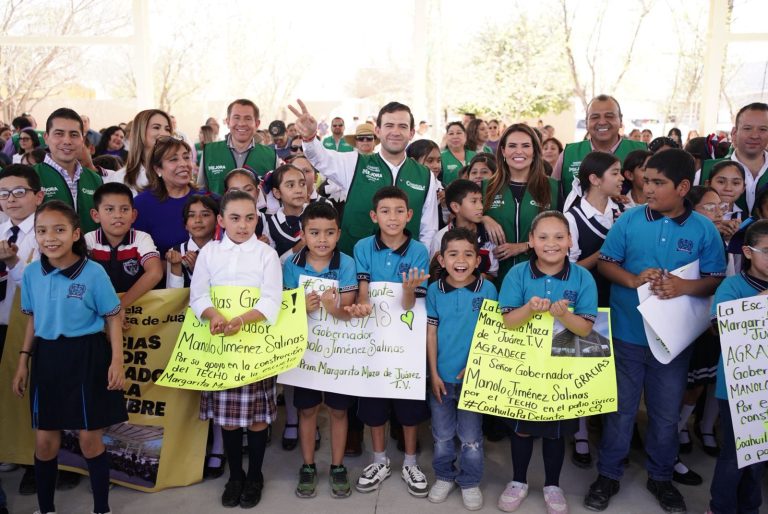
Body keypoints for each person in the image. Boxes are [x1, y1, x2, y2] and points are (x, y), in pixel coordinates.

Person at [586, 149, 726, 513]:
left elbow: (715, 278)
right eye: (646, 180)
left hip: (673, 341)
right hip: (627, 333)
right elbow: (607, 263)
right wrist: (632, 279)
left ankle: (661, 476)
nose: (647, 188)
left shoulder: (704, 229)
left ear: (683, 187)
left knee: (665, 414)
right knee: (621, 410)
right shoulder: (630, 221)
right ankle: (609, 473)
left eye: (658, 183)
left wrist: (683, 287)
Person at [13, 200, 127, 514]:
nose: (50, 238)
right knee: (44, 442)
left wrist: (117, 361)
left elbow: (113, 316)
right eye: (42, 231)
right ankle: (46, 508)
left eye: (59, 230)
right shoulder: (32, 273)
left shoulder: (93, 272)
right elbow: (33, 319)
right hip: (47, 359)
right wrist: (23, 361)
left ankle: (102, 509)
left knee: (90, 440)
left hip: (87, 356)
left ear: (76, 233)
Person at [497, 211, 598, 514]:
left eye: (558, 237)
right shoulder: (517, 274)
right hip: (523, 367)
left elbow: (586, 329)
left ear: (570, 241)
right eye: (542, 237)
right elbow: (508, 321)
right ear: (530, 241)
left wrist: (564, 314)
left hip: (562, 371)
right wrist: (529, 308)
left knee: (555, 431)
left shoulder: (582, 277)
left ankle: (553, 485)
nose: (551, 243)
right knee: (522, 428)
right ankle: (518, 481)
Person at [190, 189, 283, 509]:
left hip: (254, 344)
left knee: (257, 418)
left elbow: (271, 299)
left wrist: (242, 320)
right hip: (221, 346)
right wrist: (213, 315)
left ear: (257, 219)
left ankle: (254, 475)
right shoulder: (210, 253)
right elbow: (198, 295)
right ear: (221, 220)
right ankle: (235, 476)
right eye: (235, 218)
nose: (243, 225)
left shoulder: (266, 255)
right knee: (228, 419)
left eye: (250, 218)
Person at [350, 186, 430, 497]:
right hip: (373, 337)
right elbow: (363, 290)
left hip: (406, 340)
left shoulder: (419, 251)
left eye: (399, 211)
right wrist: (362, 304)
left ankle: (410, 461)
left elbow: (410, 304)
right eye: (385, 211)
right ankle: (379, 460)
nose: (392, 217)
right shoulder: (363, 247)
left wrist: (407, 290)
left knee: (408, 403)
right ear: (374, 216)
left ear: (409, 215)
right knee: (374, 401)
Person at [290, 99, 438, 256]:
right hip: (354, 264)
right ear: (378, 131)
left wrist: (421, 261)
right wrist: (310, 137)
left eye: (402, 126)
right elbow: (322, 158)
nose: (395, 132)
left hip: (405, 266)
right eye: (389, 125)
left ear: (411, 133)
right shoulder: (355, 163)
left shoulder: (425, 175)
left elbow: (428, 229)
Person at [282, 202, 360, 499]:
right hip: (305, 354)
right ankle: (308, 465)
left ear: (338, 234)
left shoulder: (347, 263)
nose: (322, 239)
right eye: (314, 233)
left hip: (338, 352)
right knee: (307, 409)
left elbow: (347, 312)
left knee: (339, 410)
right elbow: (286, 310)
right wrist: (299, 306)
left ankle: (338, 466)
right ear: (303, 234)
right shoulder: (292, 265)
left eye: (329, 232)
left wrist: (332, 306)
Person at [426, 227, 497, 511]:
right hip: (441, 379)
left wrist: (476, 365)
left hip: (473, 378)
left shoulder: (488, 289)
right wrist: (433, 373)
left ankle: (470, 481)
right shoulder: (434, 290)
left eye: (468, 254)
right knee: (442, 435)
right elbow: (431, 333)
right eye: (453, 254)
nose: (461, 260)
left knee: (471, 438)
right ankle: (444, 476)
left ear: (478, 260)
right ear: (441, 259)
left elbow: (491, 333)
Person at [706, 219, 768, 514]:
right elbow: (719, 327)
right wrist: (760, 302)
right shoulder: (732, 286)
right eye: (767, 251)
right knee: (735, 455)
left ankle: (749, 507)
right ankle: (720, 508)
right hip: (737, 387)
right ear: (747, 252)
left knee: (760, 455)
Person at [674, 185, 726, 486]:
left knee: (699, 384)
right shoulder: (688, 238)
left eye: (720, 207)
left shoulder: (730, 240)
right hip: (683, 321)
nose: (717, 213)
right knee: (679, 385)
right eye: (709, 207)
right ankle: (670, 439)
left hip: (713, 324)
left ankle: (680, 428)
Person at [482, 124, 559, 283]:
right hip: (495, 281)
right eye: (512, 146)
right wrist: (483, 218)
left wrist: (525, 246)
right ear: (503, 151)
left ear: (535, 151)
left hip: (540, 280)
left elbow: (562, 235)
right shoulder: (486, 187)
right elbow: (463, 222)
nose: (519, 151)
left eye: (525, 146)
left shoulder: (553, 187)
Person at [85, 182, 163, 310]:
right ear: (96, 215)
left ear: (133, 215)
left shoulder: (141, 238)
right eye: (109, 209)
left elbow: (155, 273)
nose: (118, 215)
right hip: (98, 310)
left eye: (125, 209)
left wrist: (118, 308)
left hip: (136, 311)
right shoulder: (88, 241)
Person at [554, 95, 646, 201]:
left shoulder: (643, 152)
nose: (602, 122)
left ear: (621, 120)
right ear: (586, 122)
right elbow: (552, 195)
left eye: (609, 116)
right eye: (595, 117)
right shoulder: (568, 154)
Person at [34, 108, 103, 233]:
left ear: (82, 140)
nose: (67, 141)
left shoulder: (95, 179)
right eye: (59, 134)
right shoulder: (31, 176)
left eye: (74, 135)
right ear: (46, 137)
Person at [0, 165, 44, 359]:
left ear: (39, 197)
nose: (10, 199)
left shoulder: (47, 235)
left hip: (29, 328)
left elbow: (43, 285)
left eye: (19, 192)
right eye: (3, 193)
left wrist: (13, 262)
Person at [134, 136, 203, 255]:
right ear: (157, 169)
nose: (184, 164)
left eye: (186, 157)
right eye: (173, 159)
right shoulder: (141, 205)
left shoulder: (208, 199)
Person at [197, 99, 279, 194]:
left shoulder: (271, 156)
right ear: (228, 122)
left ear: (257, 124)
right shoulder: (209, 151)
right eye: (236, 118)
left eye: (248, 118)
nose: (241, 123)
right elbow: (200, 191)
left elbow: (278, 193)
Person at [700, 103, 768, 214]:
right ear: (734, 132)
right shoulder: (705, 170)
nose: (754, 136)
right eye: (747, 128)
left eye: (763, 129)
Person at [430, 179, 497, 278]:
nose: (481, 207)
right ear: (455, 207)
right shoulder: (440, 238)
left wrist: (478, 279)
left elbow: (493, 274)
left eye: (481, 201)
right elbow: (435, 274)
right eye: (474, 201)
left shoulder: (489, 235)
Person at [106, 109, 172, 195]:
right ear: (140, 131)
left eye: (167, 129)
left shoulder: (178, 172)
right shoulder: (120, 178)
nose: (164, 133)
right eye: (156, 127)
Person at [165, 194, 219, 288]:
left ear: (217, 221)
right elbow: (173, 294)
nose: (198, 220)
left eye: (205, 215)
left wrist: (199, 272)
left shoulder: (223, 251)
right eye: (191, 215)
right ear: (185, 224)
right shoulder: (176, 251)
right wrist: (176, 266)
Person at [265, 164, 309, 262]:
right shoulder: (270, 224)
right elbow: (271, 261)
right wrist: (297, 248)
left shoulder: (317, 213)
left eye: (302, 184)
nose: (299, 190)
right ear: (277, 193)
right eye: (290, 185)